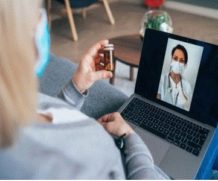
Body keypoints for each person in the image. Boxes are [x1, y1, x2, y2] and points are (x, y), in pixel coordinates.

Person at [0, 0, 169, 179]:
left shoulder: (13, 102)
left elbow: (43, 124)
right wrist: (130, 137)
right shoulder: (86, 162)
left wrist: (76, 87)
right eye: (38, 13)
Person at [157, 44, 192, 111]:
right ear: (171, 59)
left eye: (181, 60)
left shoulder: (187, 86)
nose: (177, 63)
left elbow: (187, 109)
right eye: (175, 58)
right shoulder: (161, 79)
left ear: (185, 65)